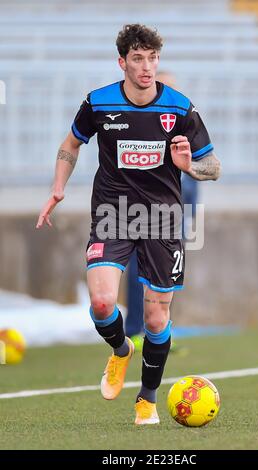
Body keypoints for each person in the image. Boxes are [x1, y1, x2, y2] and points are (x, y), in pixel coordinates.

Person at [36, 24, 220, 425]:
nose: (147, 67)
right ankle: (120, 350)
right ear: (122, 62)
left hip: (162, 220)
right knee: (102, 304)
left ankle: (147, 398)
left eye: (153, 58)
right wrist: (57, 187)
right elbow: (71, 144)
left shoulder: (180, 107)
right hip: (112, 215)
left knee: (157, 320)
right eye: (138, 58)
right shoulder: (98, 103)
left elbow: (213, 166)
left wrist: (190, 168)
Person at [125, 71, 199, 349]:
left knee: (167, 277)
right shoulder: (140, 132)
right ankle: (134, 329)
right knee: (138, 273)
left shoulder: (185, 133)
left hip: (172, 220)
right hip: (138, 216)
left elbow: (193, 181)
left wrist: (189, 220)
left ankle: (160, 331)